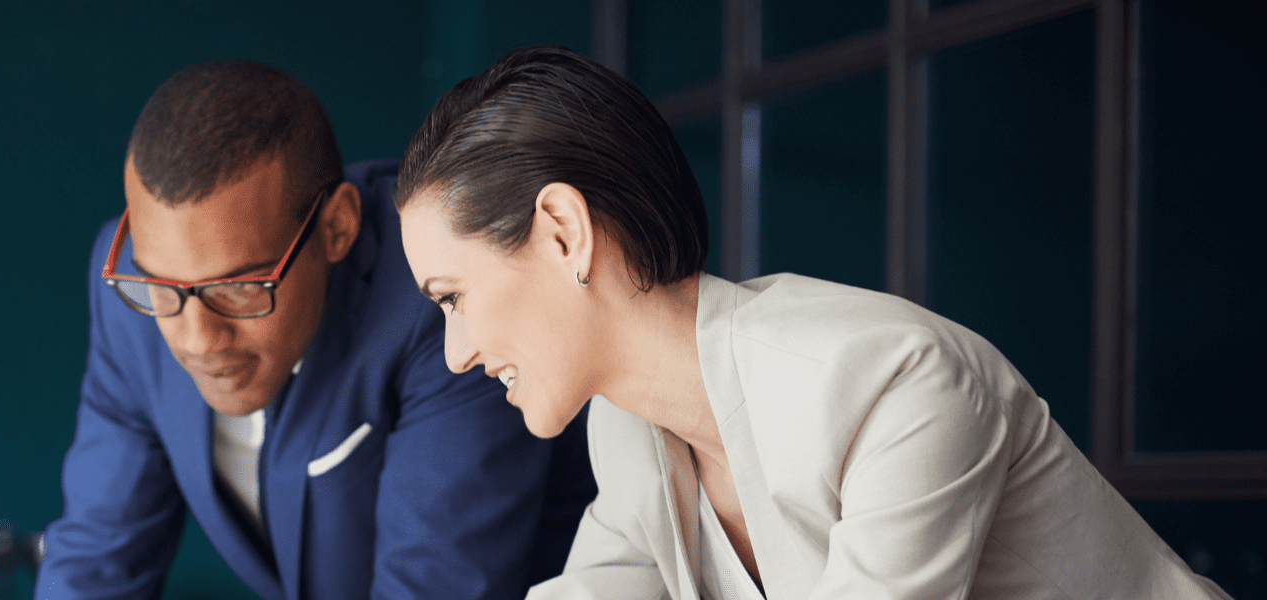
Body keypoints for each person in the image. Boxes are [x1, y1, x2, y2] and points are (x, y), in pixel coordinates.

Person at [392, 45, 1231, 600]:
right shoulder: (628, 430)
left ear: (564, 234)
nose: (456, 354)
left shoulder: (890, 381)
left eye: (452, 297)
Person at [37, 60, 595, 600]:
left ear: (338, 227)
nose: (196, 339)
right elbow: (96, 554)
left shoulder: (443, 298)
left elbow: (436, 586)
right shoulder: (130, 297)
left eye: (239, 287)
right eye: (162, 286)